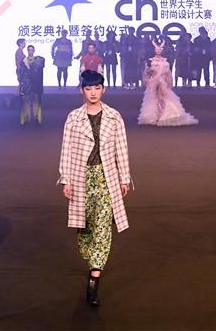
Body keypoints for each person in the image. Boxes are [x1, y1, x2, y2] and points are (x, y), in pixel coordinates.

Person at [59, 70, 132, 306]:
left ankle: (94, 278)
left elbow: (121, 148)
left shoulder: (114, 117)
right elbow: (66, 150)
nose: (93, 93)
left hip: (105, 176)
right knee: (84, 229)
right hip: (81, 176)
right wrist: (66, 179)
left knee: (103, 227)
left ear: (103, 89)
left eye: (97, 88)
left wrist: (124, 178)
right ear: (82, 90)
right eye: (88, 88)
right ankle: (93, 261)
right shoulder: (73, 118)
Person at [138, 41, 198, 126]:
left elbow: (168, 73)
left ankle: (165, 115)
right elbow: (147, 72)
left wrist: (169, 82)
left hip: (163, 82)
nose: (158, 51)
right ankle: (153, 117)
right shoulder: (151, 61)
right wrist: (147, 79)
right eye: (157, 49)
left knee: (165, 98)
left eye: (160, 49)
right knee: (153, 99)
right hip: (153, 83)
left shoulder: (165, 61)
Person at [21, 45, 46, 125]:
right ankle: (27, 117)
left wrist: (28, 66)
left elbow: (38, 70)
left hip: (36, 83)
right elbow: (23, 73)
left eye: (32, 50)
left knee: (36, 99)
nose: (30, 51)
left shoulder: (39, 60)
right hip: (27, 83)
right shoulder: (24, 61)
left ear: (34, 51)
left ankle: (36, 117)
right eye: (29, 50)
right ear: (27, 51)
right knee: (27, 100)